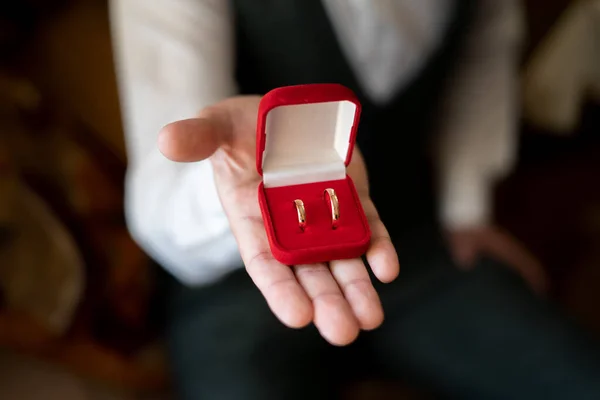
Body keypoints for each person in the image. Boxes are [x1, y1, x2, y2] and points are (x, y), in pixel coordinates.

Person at [109, 0, 600, 398]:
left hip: (415, 244)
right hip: (234, 283)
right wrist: (240, 186)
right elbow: (162, 200)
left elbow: (484, 52)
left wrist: (466, 205)